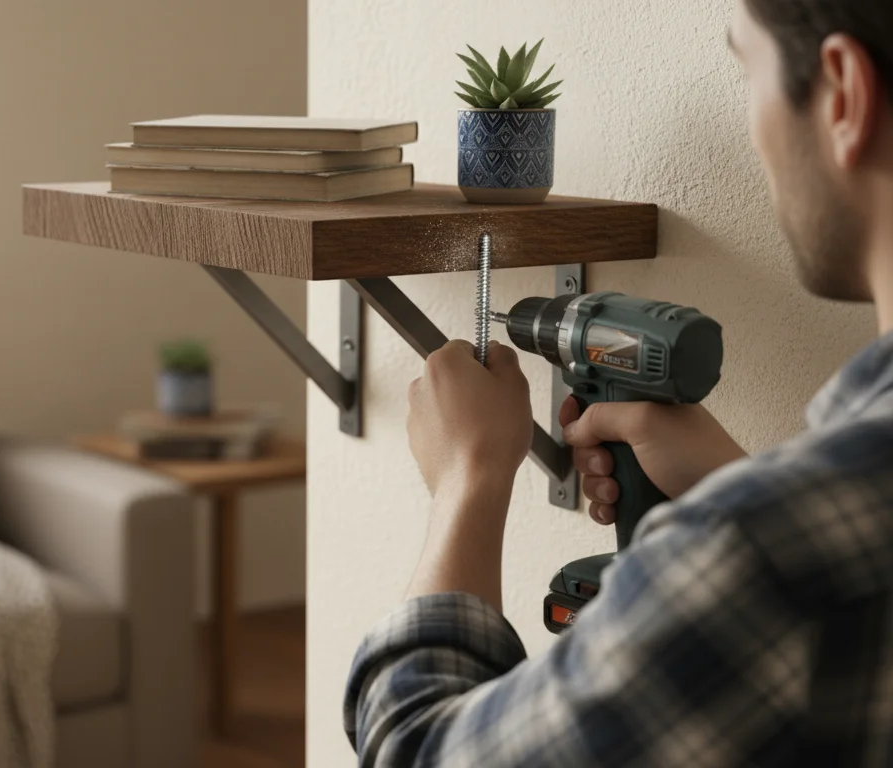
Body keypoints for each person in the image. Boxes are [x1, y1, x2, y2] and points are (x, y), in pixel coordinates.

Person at [344, 1, 893, 765]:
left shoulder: (764, 555)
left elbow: (415, 747)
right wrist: (735, 481)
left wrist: (466, 477)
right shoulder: (820, 526)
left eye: (747, 72)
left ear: (842, 96)